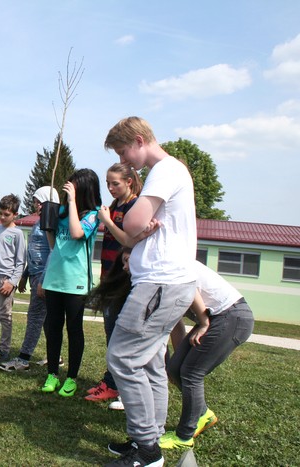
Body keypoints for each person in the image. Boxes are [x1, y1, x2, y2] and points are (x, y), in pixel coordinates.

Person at [104, 116, 197, 467]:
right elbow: (143, 228)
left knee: (123, 358)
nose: (125, 161)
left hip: (160, 284)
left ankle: (148, 452)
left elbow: (132, 222)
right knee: (150, 363)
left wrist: (136, 232)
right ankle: (150, 437)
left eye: (124, 152)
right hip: (167, 282)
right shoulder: (173, 171)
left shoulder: (165, 170)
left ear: (140, 140)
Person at [160, 261, 255, 450]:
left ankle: (184, 436)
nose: (125, 267)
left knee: (191, 373)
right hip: (215, 317)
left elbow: (190, 286)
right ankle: (203, 414)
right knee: (176, 369)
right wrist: (177, 361)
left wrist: (203, 323)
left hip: (231, 316)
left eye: (127, 261)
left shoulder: (168, 261)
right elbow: (175, 321)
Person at [40, 169, 101, 397]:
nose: (69, 190)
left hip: (76, 281)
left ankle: (72, 378)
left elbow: (76, 233)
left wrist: (73, 201)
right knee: (52, 327)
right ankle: (52, 374)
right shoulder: (64, 211)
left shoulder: (93, 215)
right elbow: (54, 244)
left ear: (84, 188)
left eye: (74, 186)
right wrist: (49, 223)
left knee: (74, 329)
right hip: (55, 278)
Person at [85, 163, 142, 403]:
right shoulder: (116, 205)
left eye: (115, 183)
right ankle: (111, 382)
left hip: (126, 281)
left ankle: (123, 386)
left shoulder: (136, 206)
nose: (110, 188)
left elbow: (129, 240)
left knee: (125, 337)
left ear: (129, 182)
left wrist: (107, 222)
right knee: (112, 333)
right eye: (108, 183)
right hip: (109, 277)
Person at [0, 186, 57, 372]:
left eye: (42, 202)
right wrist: (25, 274)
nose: (38, 206)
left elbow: (53, 252)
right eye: (36, 202)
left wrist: (44, 280)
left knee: (34, 318)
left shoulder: (52, 223)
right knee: (47, 319)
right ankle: (55, 355)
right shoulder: (40, 222)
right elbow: (33, 252)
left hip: (43, 277)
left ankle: (23, 359)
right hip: (34, 275)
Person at [0, 194, 26, 364]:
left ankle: (4, 349)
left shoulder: (17, 234)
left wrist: (12, 282)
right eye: (0, 213)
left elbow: (21, 261)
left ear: (15, 214)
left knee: (5, 316)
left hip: (5, 280)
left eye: (6, 214)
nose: (2, 217)